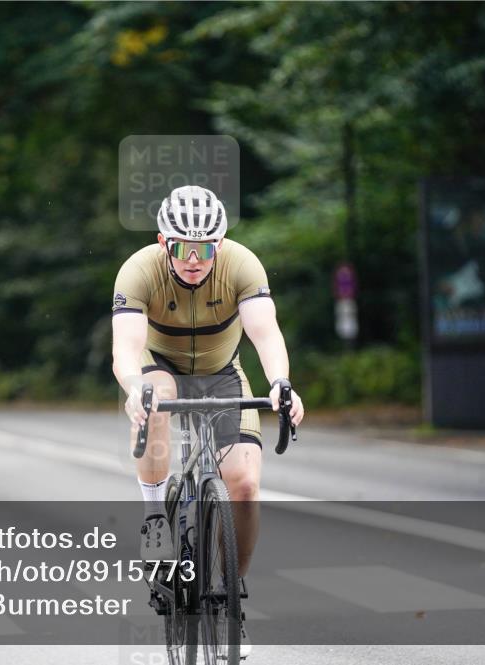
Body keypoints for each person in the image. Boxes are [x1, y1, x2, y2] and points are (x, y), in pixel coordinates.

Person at [111, 185, 304, 657]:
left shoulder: (242, 264)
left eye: (205, 248)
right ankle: (155, 518)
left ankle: (229, 600)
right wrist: (135, 387)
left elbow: (265, 332)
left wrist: (281, 383)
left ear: (220, 243)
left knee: (244, 485)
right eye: (182, 249)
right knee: (158, 396)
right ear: (163, 242)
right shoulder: (139, 270)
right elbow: (126, 347)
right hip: (162, 367)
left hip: (222, 373)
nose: (194, 260)